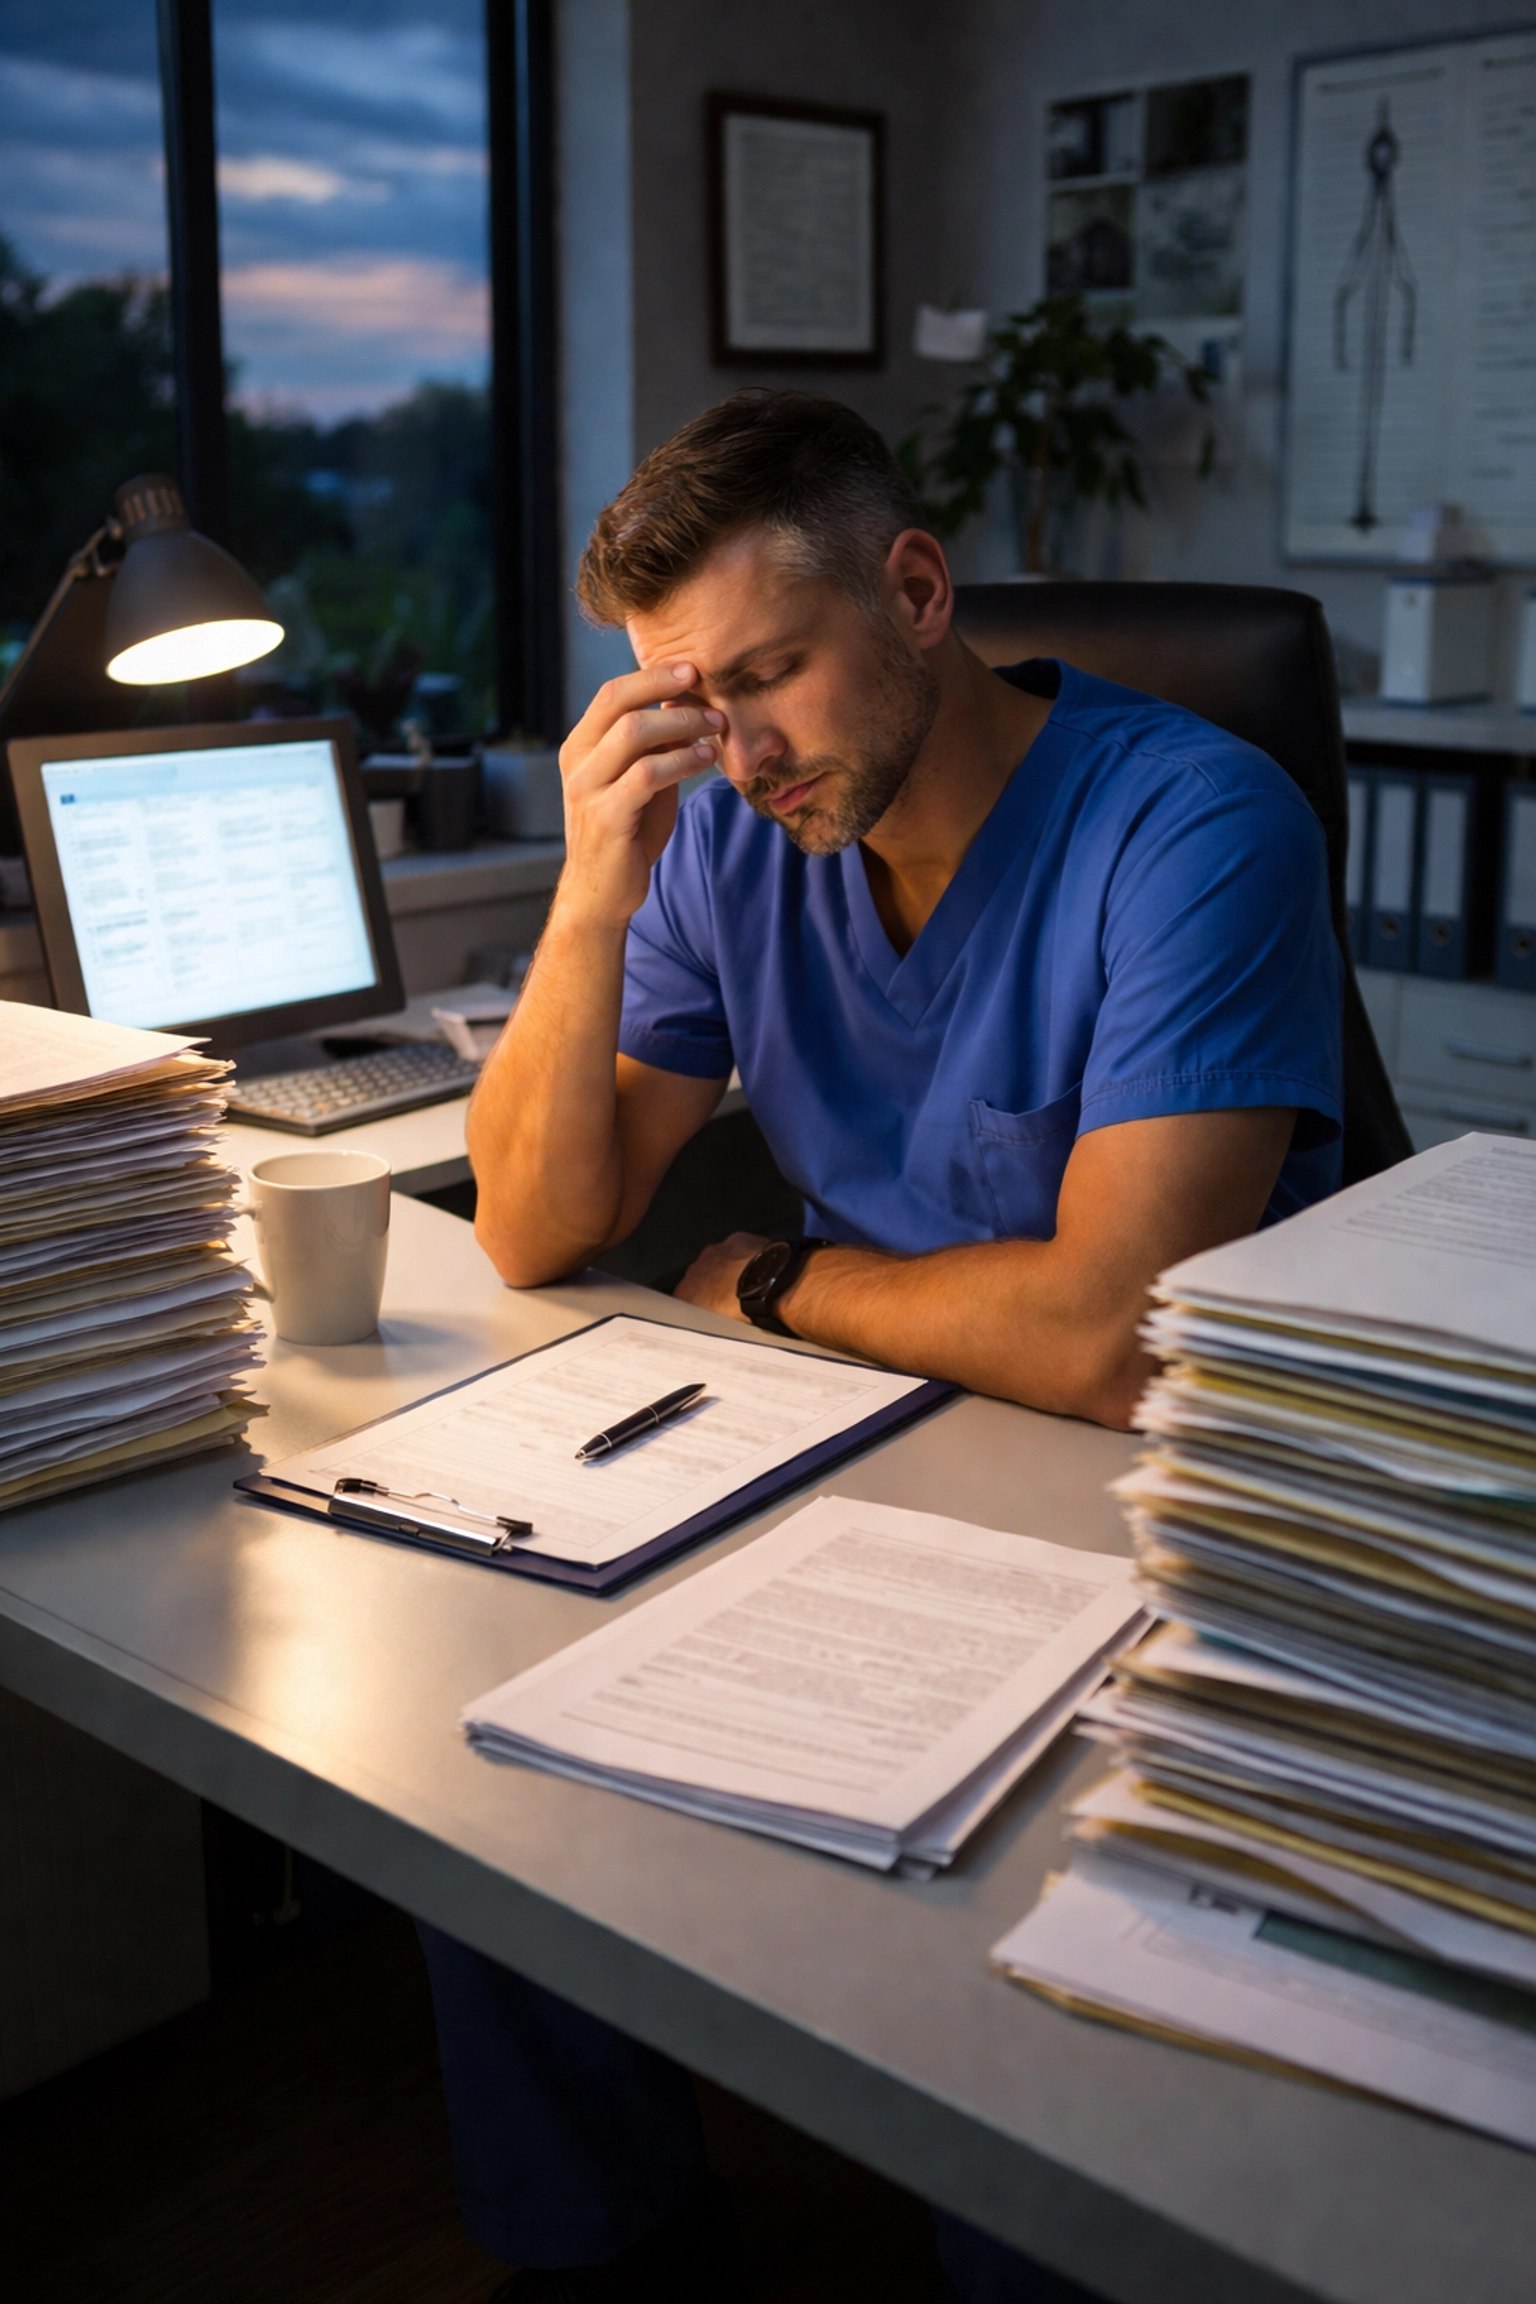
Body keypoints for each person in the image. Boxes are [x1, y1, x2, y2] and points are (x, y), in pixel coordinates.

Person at [418, 389, 1343, 2302]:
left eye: (773, 676)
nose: (742, 754)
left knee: (1012, 2025)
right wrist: (598, 876)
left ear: (916, 591)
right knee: (484, 1790)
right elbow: (532, 1219)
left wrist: (772, 1289)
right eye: (692, 707)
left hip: (1137, 1514)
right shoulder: (732, 840)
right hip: (852, 1474)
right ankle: (613, 2252)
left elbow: (1118, 1342)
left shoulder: (1192, 823)